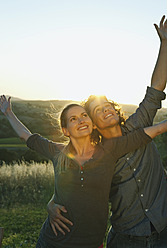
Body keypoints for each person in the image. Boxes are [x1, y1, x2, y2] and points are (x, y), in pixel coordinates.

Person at [47, 15, 167, 247]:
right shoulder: (96, 155)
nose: (105, 110)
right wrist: (51, 204)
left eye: (107, 105)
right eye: (97, 111)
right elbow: (73, 187)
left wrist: (165, 44)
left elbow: (156, 88)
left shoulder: (139, 124)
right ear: (93, 123)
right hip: (126, 238)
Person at [1, 95, 167, 248]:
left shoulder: (109, 150)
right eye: (73, 119)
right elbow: (27, 137)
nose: (80, 121)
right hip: (53, 241)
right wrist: (8, 113)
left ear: (93, 124)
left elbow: (154, 130)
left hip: (91, 242)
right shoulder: (56, 152)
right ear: (65, 130)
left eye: (84, 116)